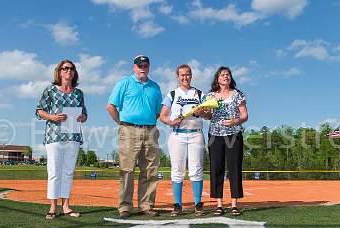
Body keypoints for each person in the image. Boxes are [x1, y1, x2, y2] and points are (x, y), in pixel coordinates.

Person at [106, 55, 162, 218]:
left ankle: (146, 206)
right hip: (128, 129)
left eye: (145, 65)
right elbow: (110, 106)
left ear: (149, 67)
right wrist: (121, 123)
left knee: (150, 169)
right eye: (139, 65)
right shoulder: (124, 83)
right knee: (127, 169)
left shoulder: (155, 87)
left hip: (151, 130)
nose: (142, 67)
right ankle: (125, 206)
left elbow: (158, 112)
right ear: (134, 67)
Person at [36, 59, 87, 220]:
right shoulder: (50, 90)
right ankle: (52, 207)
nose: (68, 71)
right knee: (54, 172)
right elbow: (39, 111)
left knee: (68, 173)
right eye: (65, 68)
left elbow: (85, 114)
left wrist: (82, 117)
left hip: (73, 137)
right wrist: (52, 116)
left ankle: (66, 206)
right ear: (59, 72)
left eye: (71, 69)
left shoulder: (79, 93)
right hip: (54, 137)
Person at [159, 64, 210, 217]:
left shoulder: (199, 94)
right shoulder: (172, 94)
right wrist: (169, 122)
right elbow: (162, 116)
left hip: (196, 134)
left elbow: (209, 115)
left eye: (187, 74)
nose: (185, 77)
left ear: (191, 76)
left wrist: (202, 112)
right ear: (177, 77)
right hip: (177, 135)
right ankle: (177, 204)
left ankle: (197, 204)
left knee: (196, 169)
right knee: (177, 170)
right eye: (182, 75)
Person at [207, 66, 248, 216]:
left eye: (228, 74)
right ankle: (219, 204)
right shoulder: (210, 95)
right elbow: (208, 116)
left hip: (234, 135)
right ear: (217, 79)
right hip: (215, 135)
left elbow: (244, 116)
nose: (225, 76)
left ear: (230, 78)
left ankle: (234, 204)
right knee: (216, 168)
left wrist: (235, 121)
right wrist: (202, 112)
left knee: (234, 168)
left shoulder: (237, 94)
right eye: (222, 74)